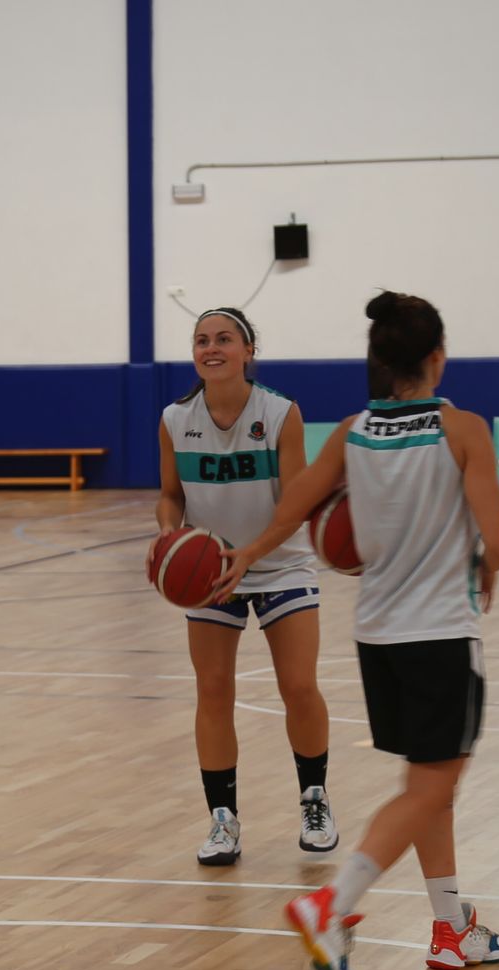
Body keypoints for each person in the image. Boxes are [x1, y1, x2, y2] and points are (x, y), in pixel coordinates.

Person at [214, 291, 499, 970]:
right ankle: (332, 904)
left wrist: (248, 550)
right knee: (432, 787)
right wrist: (480, 562)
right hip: (441, 634)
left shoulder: (350, 431)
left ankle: (451, 930)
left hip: (376, 637)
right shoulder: (465, 429)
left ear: (379, 363)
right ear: (437, 358)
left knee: (427, 785)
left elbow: (293, 505)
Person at [154, 307, 337, 866]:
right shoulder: (173, 417)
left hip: (278, 563)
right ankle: (223, 820)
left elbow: (297, 503)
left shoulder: (281, 413)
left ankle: (315, 799)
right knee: (213, 691)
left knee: (299, 687)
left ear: (248, 350)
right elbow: (170, 496)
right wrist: (169, 539)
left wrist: (250, 556)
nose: (212, 348)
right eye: (202, 340)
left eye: (224, 339)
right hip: (212, 574)